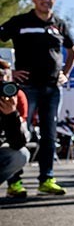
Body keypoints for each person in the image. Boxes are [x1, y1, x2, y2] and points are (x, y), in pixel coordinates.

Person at [0, 0, 74, 196]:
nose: (46, 0)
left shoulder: (59, 24)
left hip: (52, 88)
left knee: (50, 135)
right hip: (26, 88)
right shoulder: (20, 22)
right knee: (20, 131)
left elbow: (73, 50)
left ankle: (47, 179)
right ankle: (14, 183)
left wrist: (66, 73)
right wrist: (9, 73)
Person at [0, 59, 31, 195]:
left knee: (20, 155)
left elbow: (18, 143)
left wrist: (11, 115)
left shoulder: (15, 96)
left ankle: (15, 182)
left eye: (3, 80)